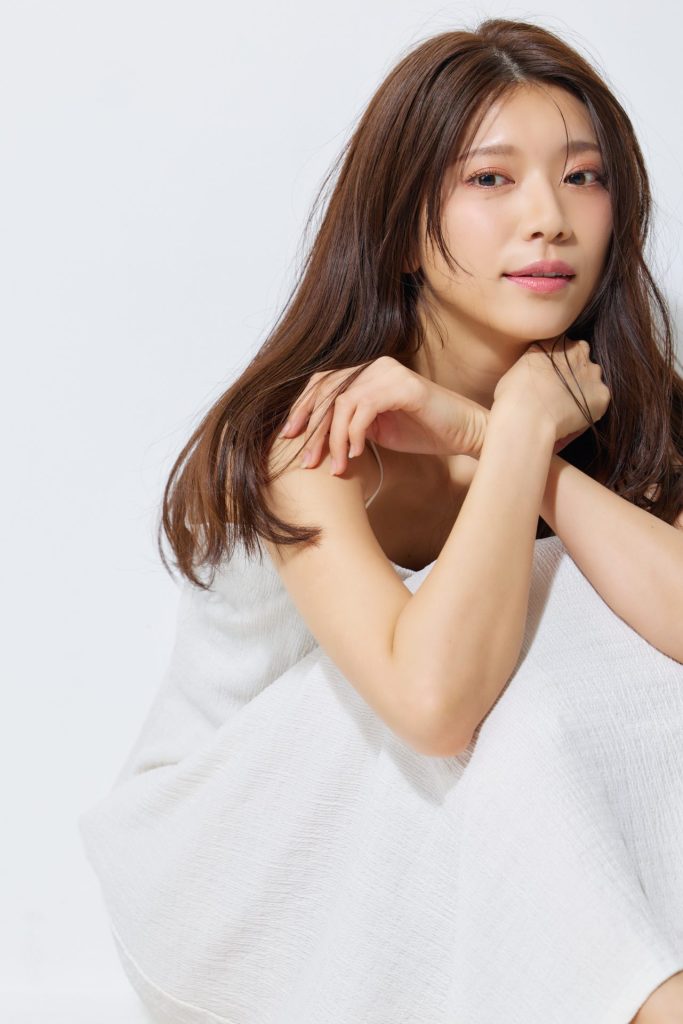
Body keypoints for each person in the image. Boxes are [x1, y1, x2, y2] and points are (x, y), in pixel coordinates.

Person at [79, 17, 683, 1024]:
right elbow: (433, 705)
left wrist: (510, 444)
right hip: (238, 873)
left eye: (581, 176)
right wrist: (521, 426)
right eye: (489, 179)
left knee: (592, 617)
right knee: (528, 654)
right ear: (403, 228)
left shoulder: (632, 408)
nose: (547, 218)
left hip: (441, 849)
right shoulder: (311, 433)